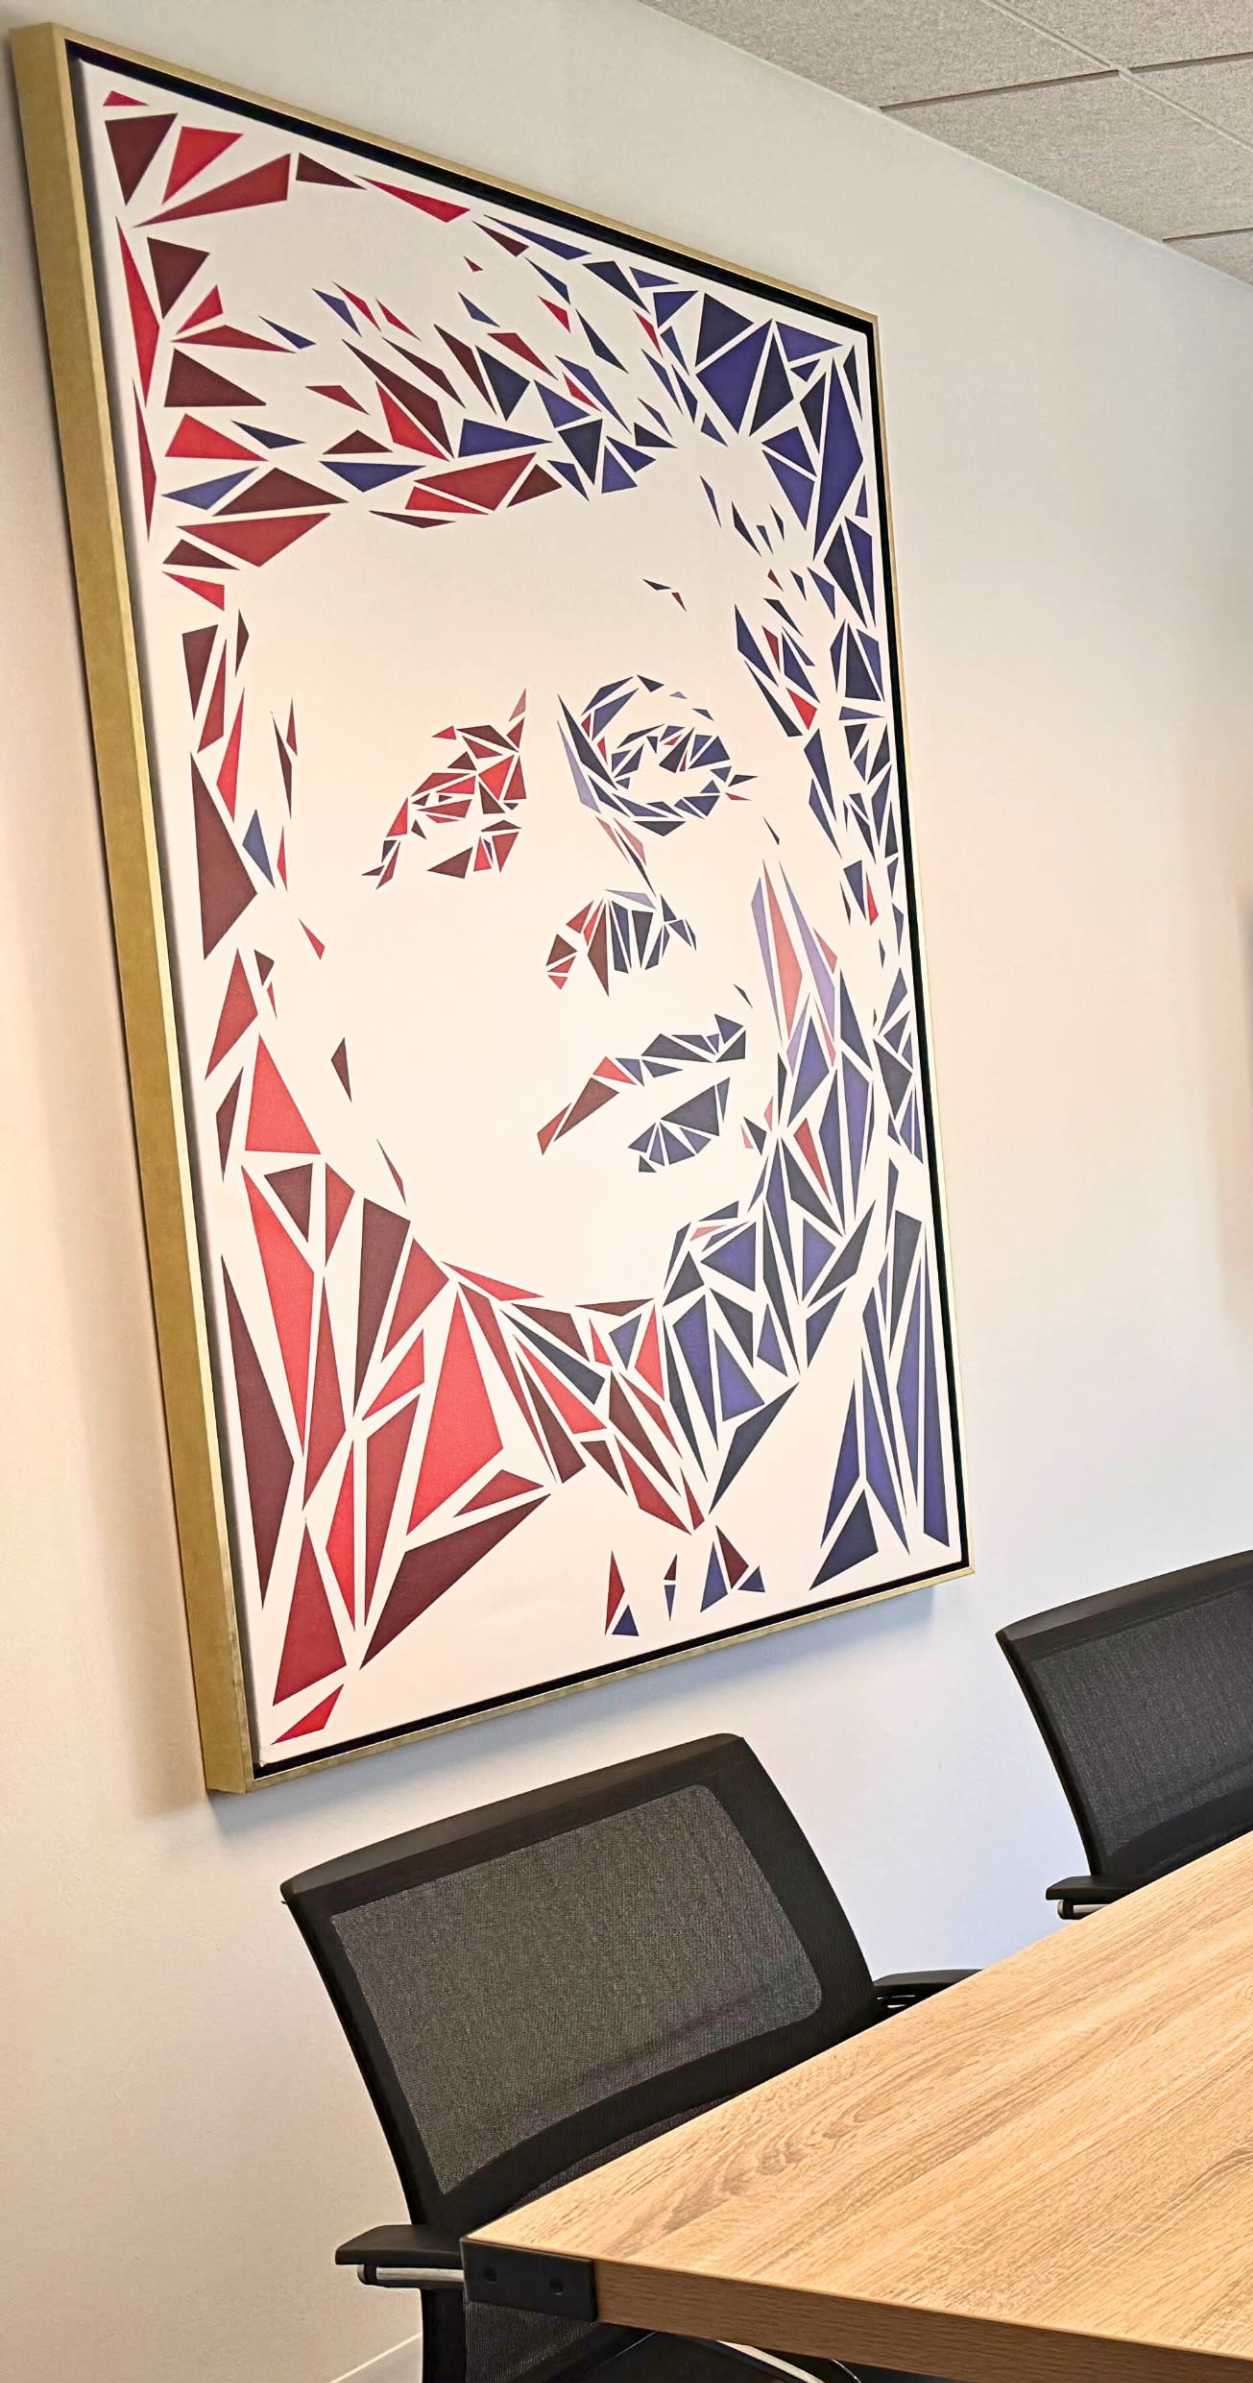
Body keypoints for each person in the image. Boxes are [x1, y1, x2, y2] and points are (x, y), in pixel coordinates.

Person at [105, 134, 955, 1748]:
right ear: (309, 1047)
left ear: (839, 854)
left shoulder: (885, 1450)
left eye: (669, 760)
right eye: (451, 824)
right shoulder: (434, 1640)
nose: (607, 900)